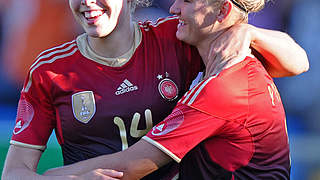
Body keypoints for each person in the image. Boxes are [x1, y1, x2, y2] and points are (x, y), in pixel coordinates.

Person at [2, 0, 308, 179]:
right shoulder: (49, 70)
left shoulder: (176, 40)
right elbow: (14, 174)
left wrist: (248, 31)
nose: (87, 1)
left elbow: (298, 62)